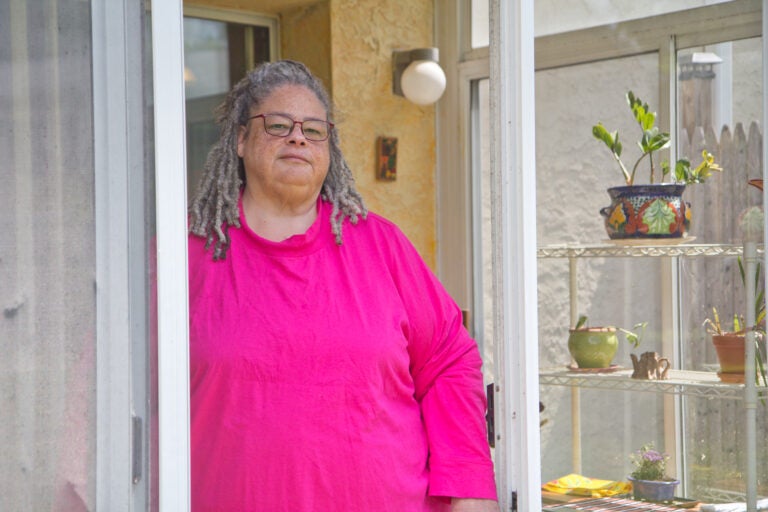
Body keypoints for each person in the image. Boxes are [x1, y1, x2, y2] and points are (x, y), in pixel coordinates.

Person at [188, 60, 498, 512]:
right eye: (277, 125)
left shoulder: (381, 245)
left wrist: (468, 490)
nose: (298, 137)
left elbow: (450, 360)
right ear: (239, 139)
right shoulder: (183, 258)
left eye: (314, 130)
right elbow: (115, 387)